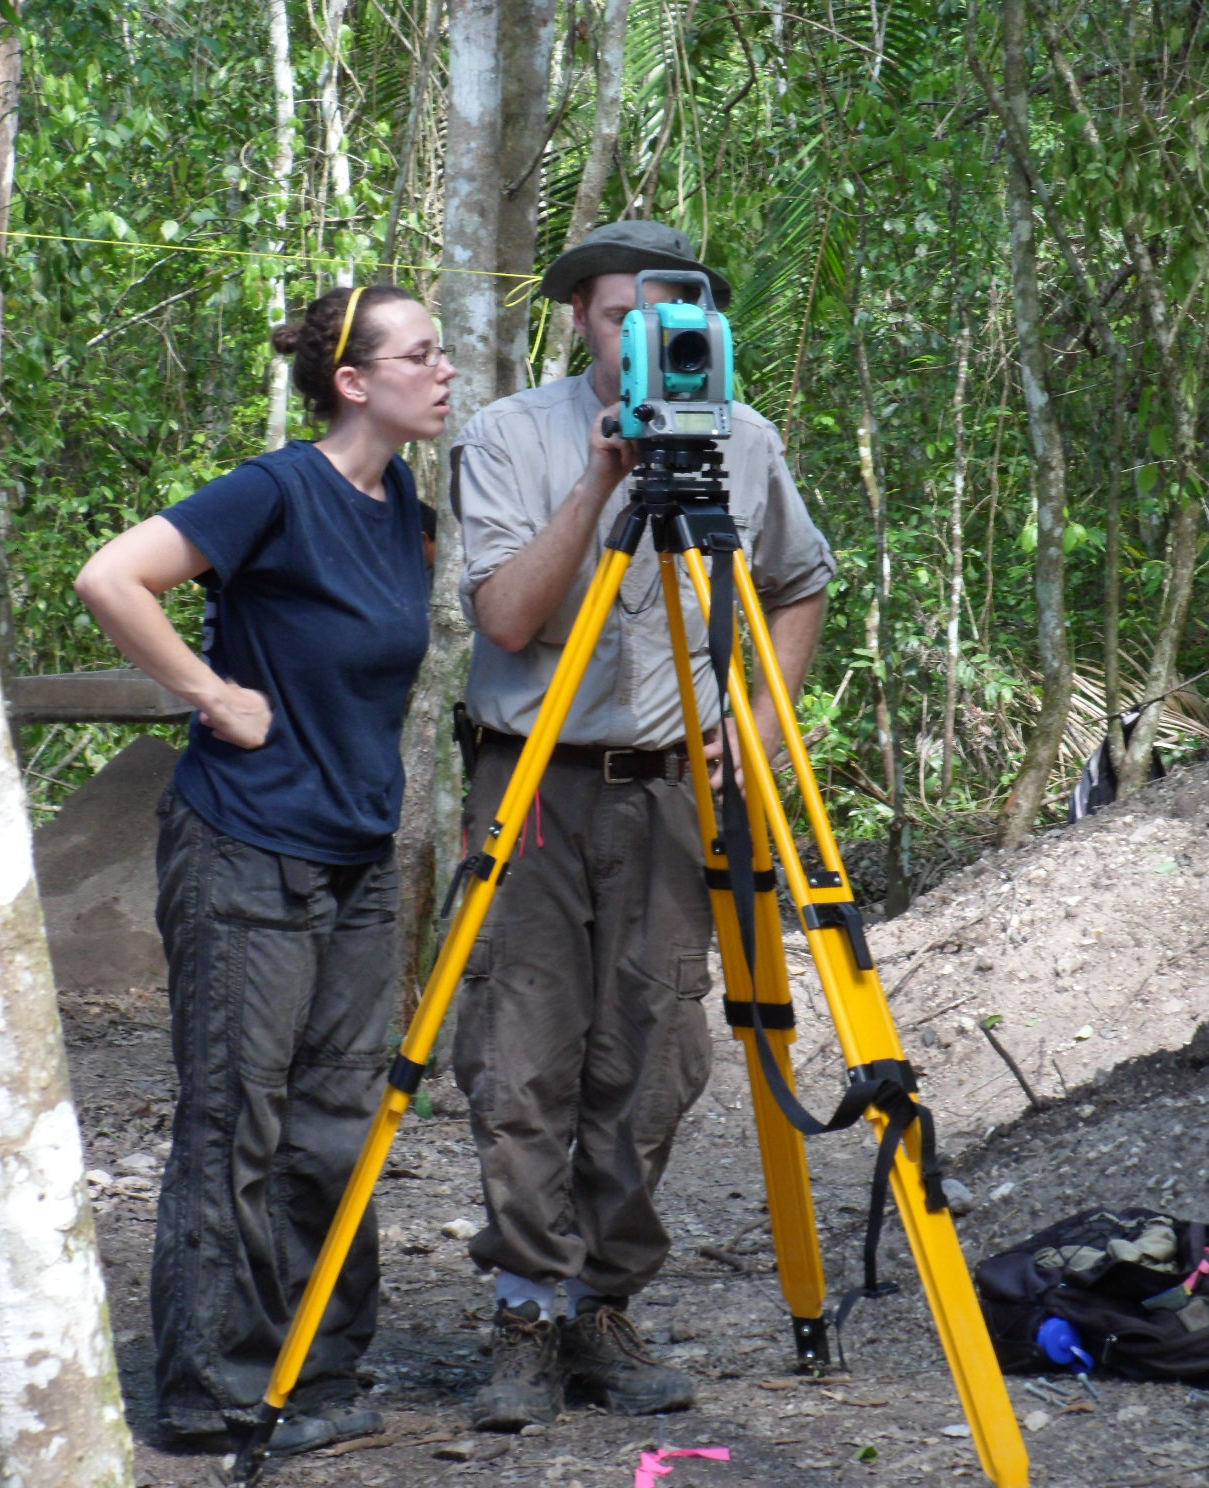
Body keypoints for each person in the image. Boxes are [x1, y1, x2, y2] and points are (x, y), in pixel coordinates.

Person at [452, 221, 835, 1430]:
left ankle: (602, 1305)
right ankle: (525, 1306)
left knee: (655, 1052)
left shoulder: (748, 438)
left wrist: (756, 727)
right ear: (577, 317)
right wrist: (603, 482)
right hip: (533, 778)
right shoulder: (511, 436)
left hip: (676, 788)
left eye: (671, 320)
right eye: (621, 315)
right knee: (521, 1054)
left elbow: (799, 583)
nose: (644, 339)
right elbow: (508, 622)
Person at [74, 283, 453, 1456]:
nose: (444, 371)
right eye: (422, 354)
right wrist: (211, 694)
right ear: (354, 381)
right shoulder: (276, 489)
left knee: (338, 1119)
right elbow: (110, 576)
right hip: (246, 843)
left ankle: (318, 1367)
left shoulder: (406, 510)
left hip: (354, 856)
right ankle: (213, 1387)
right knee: (237, 1115)